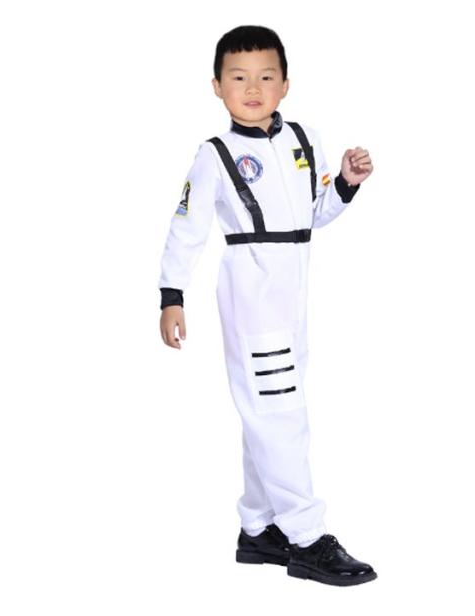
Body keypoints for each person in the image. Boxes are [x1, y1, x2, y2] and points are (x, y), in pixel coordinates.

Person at [158, 25, 377, 586]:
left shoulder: (303, 140)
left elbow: (314, 215)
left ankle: (259, 527)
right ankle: (306, 536)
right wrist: (171, 295)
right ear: (217, 86)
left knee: (271, 404)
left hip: (294, 285)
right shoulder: (216, 155)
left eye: (265, 77)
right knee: (280, 411)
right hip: (251, 290)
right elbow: (187, 227)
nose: (252, 89)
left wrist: (346, 184)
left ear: (285, 85)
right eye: (238, 78)